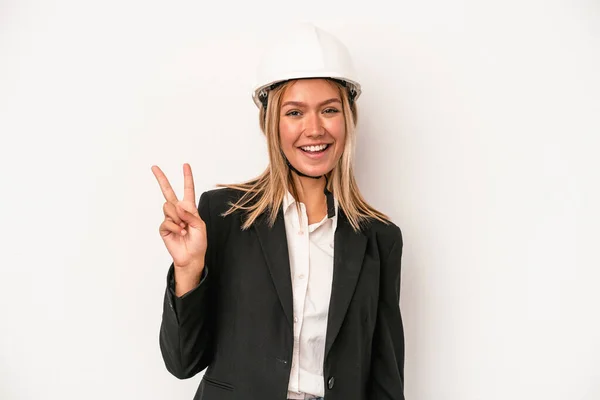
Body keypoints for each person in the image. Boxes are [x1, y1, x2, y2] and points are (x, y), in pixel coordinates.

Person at [151, 23, 405, 400]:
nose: (314, 129)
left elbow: (385, 378)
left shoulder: (379, 239)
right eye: (295, 113)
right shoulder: (223, 216)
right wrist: (189, 271)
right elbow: (182, 361)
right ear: (271, 122)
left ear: (348, 118)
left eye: (329, 110)